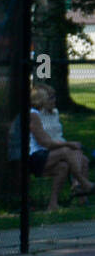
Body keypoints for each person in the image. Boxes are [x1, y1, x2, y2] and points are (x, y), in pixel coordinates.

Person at [24, 82, 93, 212]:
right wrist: (68, 144)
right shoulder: (33, 114)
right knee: (68, 150)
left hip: (46, 156)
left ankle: (53, 204)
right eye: (51, 98)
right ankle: (81, 183)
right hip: (34, 157)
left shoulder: (43, 113)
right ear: (41, 99)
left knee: (64, 166)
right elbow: (46, 143)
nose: (54, 100)